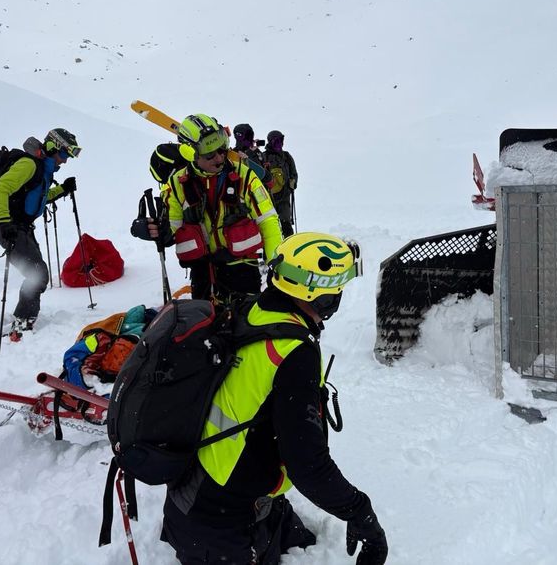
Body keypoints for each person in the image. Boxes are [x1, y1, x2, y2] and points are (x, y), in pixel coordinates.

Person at [160, 232, 388, 565]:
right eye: (333, 291)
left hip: (201, 498)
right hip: (219, 526)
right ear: (318, 296)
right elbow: (308, 465)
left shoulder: (254, 310)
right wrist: (361, 514)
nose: (336, 298)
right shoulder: (292, 352)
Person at [135, 114, 282, 304]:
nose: (220, 157)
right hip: (203, 275)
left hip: (243, 271)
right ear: (190, 153)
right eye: (210, 154)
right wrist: (152, 230)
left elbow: (268, 221)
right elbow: (171, 226)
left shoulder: (245, 177)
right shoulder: (177, 184)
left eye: (222, 148)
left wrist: (276, 265)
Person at [0, 128, 80, 332]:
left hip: (21, 227)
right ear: (51, 147)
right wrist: (4, 222)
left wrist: (62, 190)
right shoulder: (28, 165)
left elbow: (35, 199)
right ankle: (22, 321)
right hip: (9, 227)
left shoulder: (42, 169)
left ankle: (25, 318)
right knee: (37, 273)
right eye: (64, 154)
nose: (65, 161)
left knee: (38, 272)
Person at [263, 129, 298, 237]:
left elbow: (294, 173)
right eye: (276, 141)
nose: (279, 143)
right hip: (269, 198)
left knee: (286, 224)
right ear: (270, 142)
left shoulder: (286, 156)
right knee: (272, 224)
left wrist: (293, 182)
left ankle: (289, 246)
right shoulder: (264, 156)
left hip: (284, 198)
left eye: (280, 140)